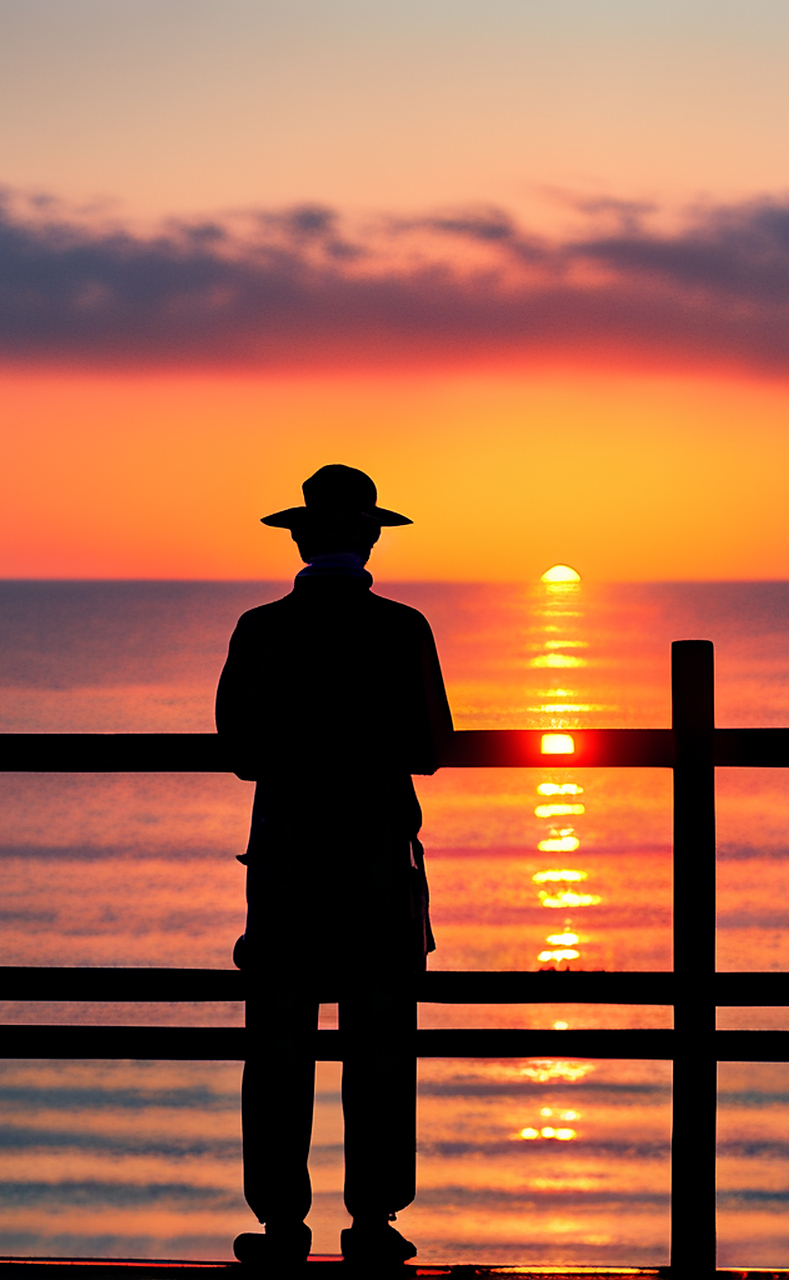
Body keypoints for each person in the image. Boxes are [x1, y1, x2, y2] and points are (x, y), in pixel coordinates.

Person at [216, 465, 453, 1266]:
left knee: (278, 1046)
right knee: (381, 1045)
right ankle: (375, 1222)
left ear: (298, 537)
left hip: (285, 862)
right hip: (377, 863)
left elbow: (239, 751)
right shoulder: (402, 628)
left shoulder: (259, 629)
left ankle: (281, 1222)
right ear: (374, 536)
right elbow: (430, 747)